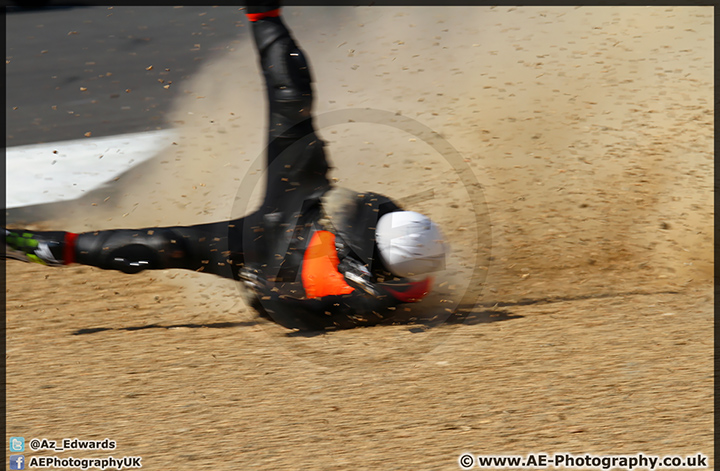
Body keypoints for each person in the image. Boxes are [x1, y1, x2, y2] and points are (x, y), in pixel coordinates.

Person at [5, 3, 448, 330]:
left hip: (273, 242)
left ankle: (46, 247)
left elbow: (289, 309)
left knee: (166, 244)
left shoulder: (374, 291)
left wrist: (260, 292)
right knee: (291, 105)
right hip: (297, 206)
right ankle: (264, 14)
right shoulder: (391, 250)